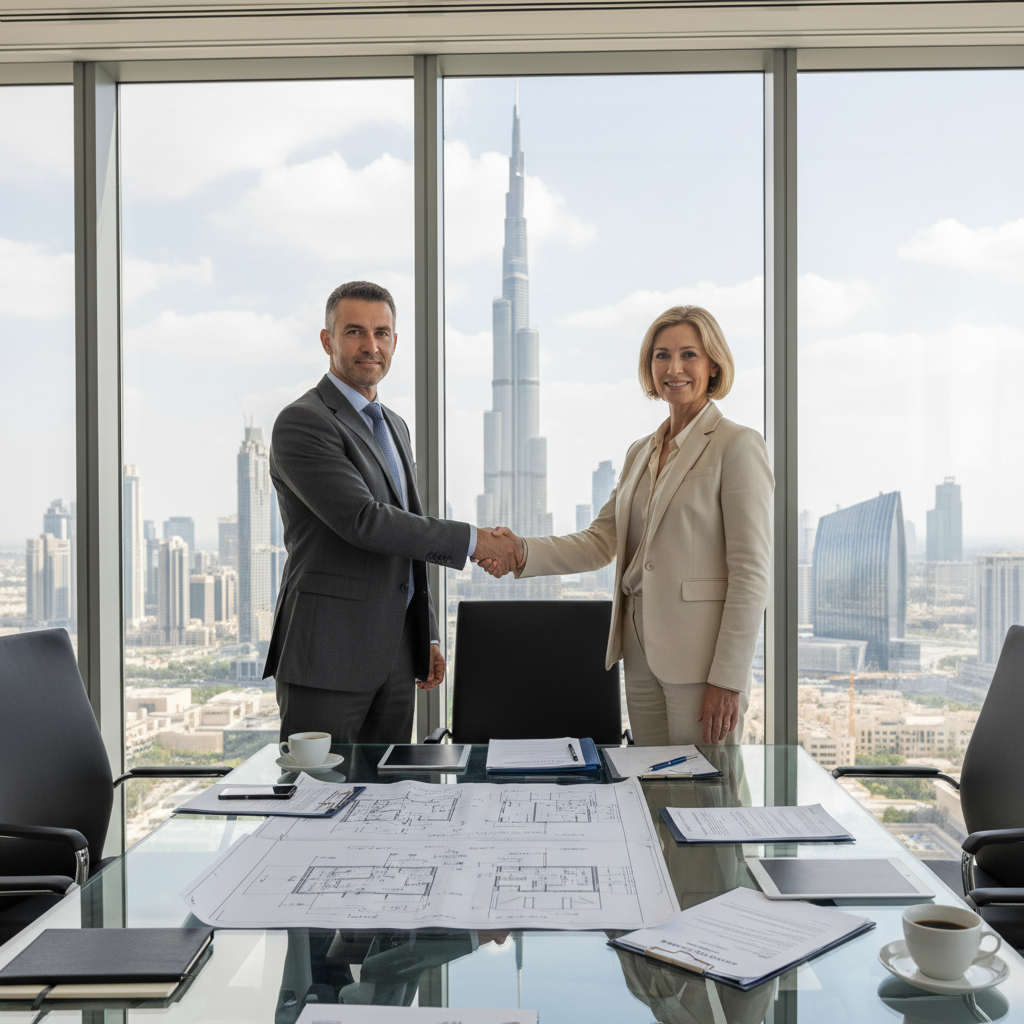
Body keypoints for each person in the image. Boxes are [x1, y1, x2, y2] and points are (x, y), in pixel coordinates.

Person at [479, 305, 772, 746]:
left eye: (689, 355)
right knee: (652, 787)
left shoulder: (737, 445)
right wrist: (521, 550)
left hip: (700, 662)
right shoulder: (641, 452)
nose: (673, 368)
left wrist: (728, 678)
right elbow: (600, 541)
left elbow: (751, 573)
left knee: (709, 799)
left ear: (713, 365)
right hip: (638, 653)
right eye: (661, 355)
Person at [265, 280, 518, 744]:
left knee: (390, 804)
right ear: (327, 340)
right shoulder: (304, 421)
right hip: (329, 658)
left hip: (399, 658)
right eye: (355, 332)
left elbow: (406, 534)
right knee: (315, 803)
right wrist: (473, 540)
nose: (371, 346)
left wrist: (428, 634)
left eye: (382, 333)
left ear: (395, 343)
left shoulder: (394, 425)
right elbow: (366, 521)